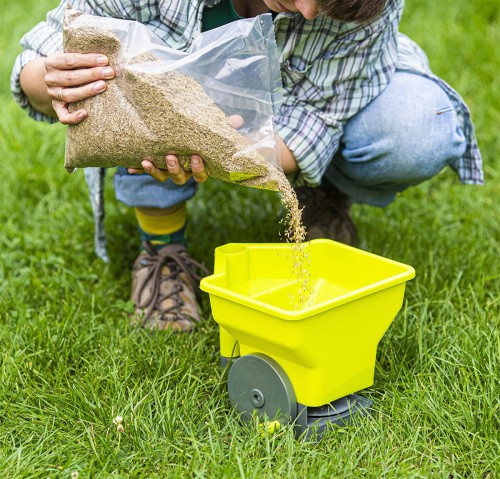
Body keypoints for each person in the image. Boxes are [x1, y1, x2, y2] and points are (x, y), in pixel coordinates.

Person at [12, 0, 483, 332]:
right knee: (137, 119)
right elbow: (39, 61)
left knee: (422, 129)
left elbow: (322, 112)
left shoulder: (355, 9)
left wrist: (235, 153)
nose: (307, 11)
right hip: (163, 85)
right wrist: (51, 81)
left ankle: (320, 194)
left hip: (314, 90)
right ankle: (162, 251)